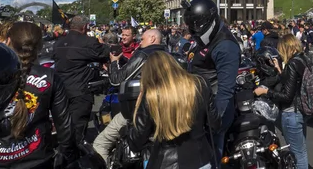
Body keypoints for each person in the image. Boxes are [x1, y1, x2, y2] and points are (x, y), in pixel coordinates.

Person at [0, 27, 78, 168]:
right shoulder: (50, 77)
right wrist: (68, 158)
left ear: (8, 41)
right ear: (40, 46)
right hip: (38, 161)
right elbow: (65, 128)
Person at [128, 52, 221, 169]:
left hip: (166, 162)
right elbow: (215, 124)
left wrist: (136, 109)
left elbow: (136, 142)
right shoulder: (200, 84)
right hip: (200, 158)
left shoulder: (151, 96)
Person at [94, 29, 170, 161]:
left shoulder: (143, 54)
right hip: (165, 110)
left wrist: (113, 62)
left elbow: (117, 80)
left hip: (139, 110)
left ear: (152, 39)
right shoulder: (168, 54)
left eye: (143, 39)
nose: (140, 42)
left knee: (100, 143)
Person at [183, 0, 240, 158]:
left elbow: (225, 90)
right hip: (199, 107)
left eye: (196, 25)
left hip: (213, 111)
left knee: (210, 157)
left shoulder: (225, 46)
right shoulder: (204, 39)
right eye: (191, 25)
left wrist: (214, 122)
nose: (193, 30)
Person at [254, 34, 308, 169]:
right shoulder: (302, 59)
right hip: (301, 110)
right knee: (302, 151)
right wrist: (279, 70)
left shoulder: (292, 64)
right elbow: (293, 82)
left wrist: (266, 92)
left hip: (291, 113)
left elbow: (287, 96)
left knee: (297, 155)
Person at [53, 15, 109, 142]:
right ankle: (74, 155)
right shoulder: (88, 42)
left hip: (59, 90)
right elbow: (105, 52)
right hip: (80, 91)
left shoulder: (59, 42)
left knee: (62, 126)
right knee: (77, 129)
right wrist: (102, 44)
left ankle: (63, 151)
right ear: (84, 27)